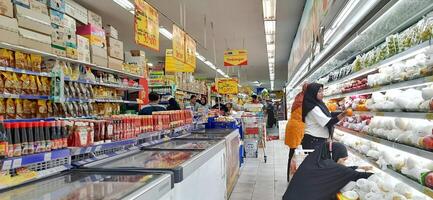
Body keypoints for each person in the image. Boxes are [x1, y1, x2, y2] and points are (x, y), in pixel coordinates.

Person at [283, 142, 373, 200]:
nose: (344, 163)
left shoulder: (316, 160)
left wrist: (357, 166)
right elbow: (356, 174)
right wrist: (377, 176)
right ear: (336, 154)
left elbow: (342, 169)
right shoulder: (332, 167)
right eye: (344, 159)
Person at [301, 83, 348, 150]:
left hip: (316, 139)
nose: (322, 93)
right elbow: (328, 122)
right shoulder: (313, 108)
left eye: (322, 91)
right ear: (313, 92)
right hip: (314, 141)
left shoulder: (318, 104)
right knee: (316, 160)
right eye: (319, 91)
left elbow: (329, 114)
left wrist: (342, 113)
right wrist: (342, 115)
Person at [284, 83, 307, 182]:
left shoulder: (299, 97)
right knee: (294, 153)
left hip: (294, 127)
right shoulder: (304, 100)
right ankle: (292, 176)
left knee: (292, 153)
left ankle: (289, 176)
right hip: (297, 129)